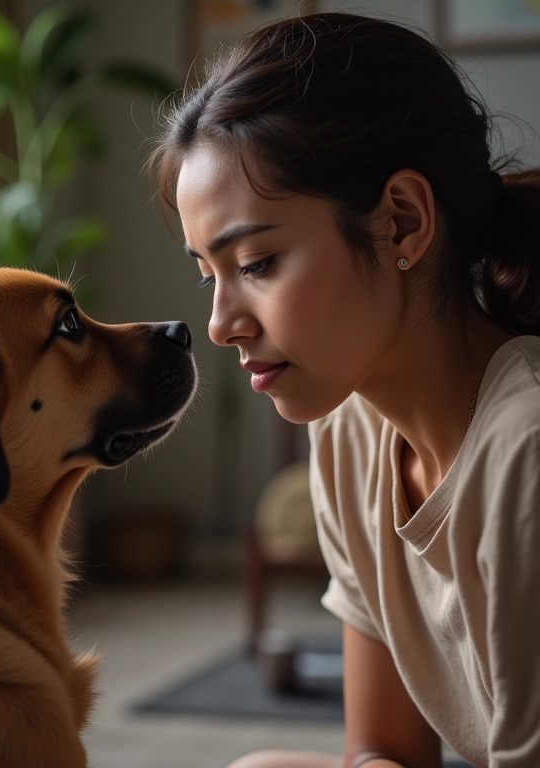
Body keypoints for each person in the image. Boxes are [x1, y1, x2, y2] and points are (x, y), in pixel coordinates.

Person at [148, 12, 540, 768]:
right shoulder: (350, 433)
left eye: (257, 263)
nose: (222, 324)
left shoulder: (525, 452)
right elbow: (385, 751)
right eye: (209, 275)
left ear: (402, 221)